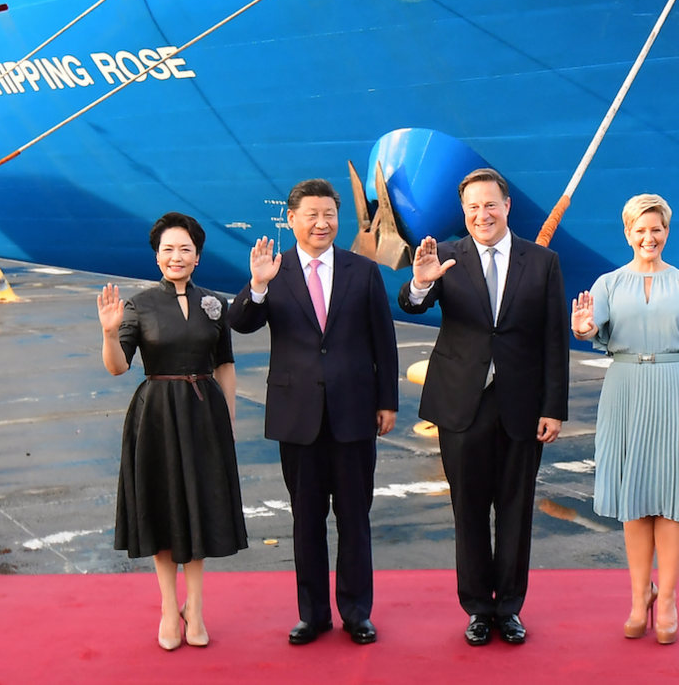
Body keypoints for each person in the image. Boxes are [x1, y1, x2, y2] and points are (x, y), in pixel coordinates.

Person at [400, 168, 568, 647]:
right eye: (472, 207)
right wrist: (418, 283)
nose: (481, 215)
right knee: (468, 510)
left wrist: (554, 406)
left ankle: (509, 608)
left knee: (516, 511)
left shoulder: (543, 262)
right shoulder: (446, 257)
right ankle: (477, 608)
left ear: (507, 206)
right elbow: (412, 305)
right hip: (461, 403)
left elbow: (555, 340)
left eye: (489, 205)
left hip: (521, 402)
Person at [229, 179, 400, 646]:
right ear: (292, 220)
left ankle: (356, 612)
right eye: (311, 214)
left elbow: (384, 342)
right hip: (297, 414)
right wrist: (257, 286)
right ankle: (313, 614)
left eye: (329, 214)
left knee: (354, 517)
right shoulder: (273, 270)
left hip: (354, 413)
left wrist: (387, 401)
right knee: (305, 519)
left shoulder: (362, 271)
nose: (322, 223)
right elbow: (240, 322)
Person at [570, 194, 679, 646]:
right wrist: (581, 327)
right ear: (627, 233)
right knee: (633, 496)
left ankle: (670, 598)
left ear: (667, 232)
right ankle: (641, 597)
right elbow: (589, 328)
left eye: (656, 229)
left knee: (676, 496)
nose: (648, 237)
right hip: (624, 389)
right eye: (639, 230)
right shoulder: (607, 284)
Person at [97, 213, 247, 651]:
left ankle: (195, 608)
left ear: (198, 256)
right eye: (168, 249)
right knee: (163, 511)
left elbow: (225, 365)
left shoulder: (214, 304)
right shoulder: (138, 306)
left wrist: (229, 421)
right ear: (157, 256)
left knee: (199, 510)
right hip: (157, 415)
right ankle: (168, 608)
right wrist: (109, 334)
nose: (175, 256)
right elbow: (117, 367)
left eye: (184, 249)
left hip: (204, 415)